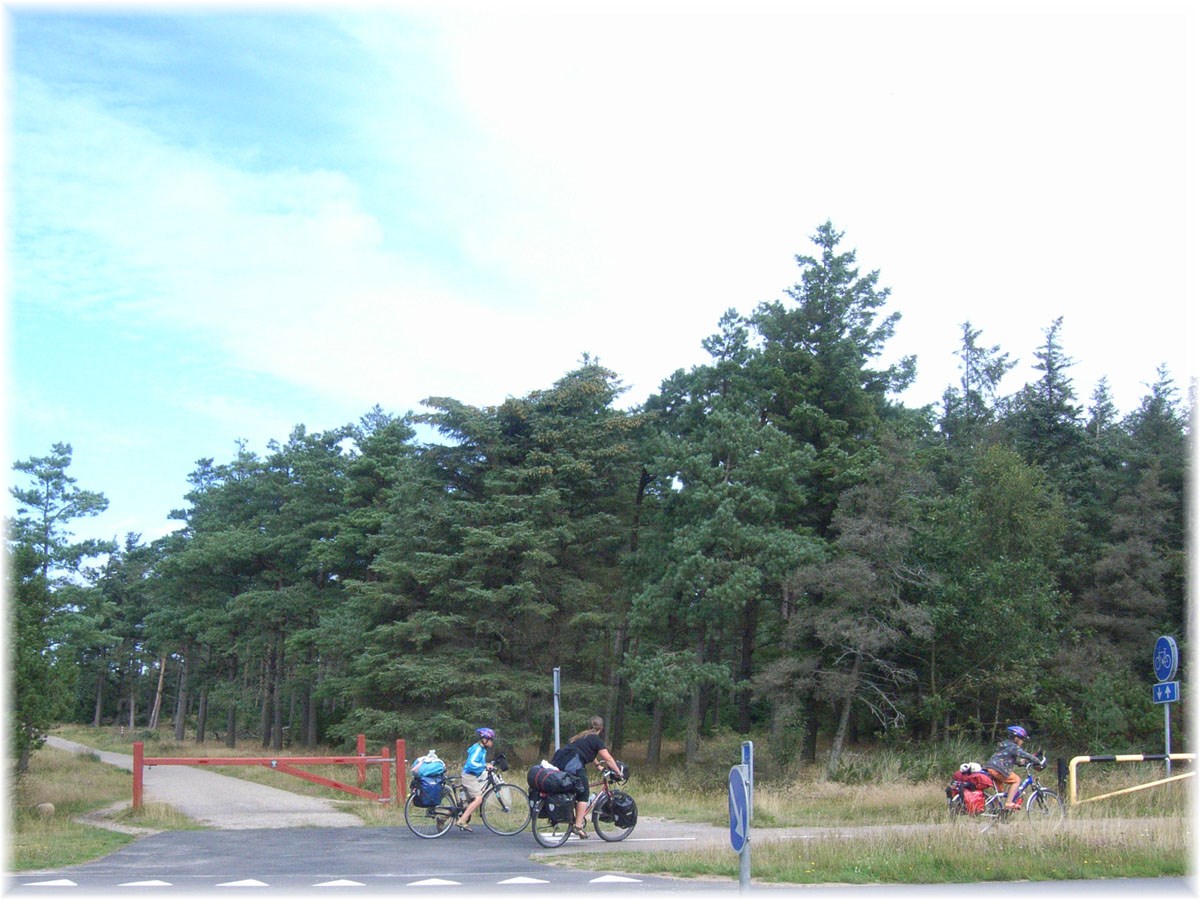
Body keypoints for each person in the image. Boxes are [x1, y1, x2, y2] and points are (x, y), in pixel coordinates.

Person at [552, 715, 619, 839]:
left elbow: (586, 751)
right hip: (573, 765)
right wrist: (618, 772)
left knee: (572, 791)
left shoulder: (582, 736)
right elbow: (608, 758)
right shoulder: (595, 739)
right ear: (601, 728)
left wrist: (598, 766)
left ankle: (571, 818)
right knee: (584, 793)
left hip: (560, 762)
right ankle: (577, 826)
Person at [985, 725, 1042, 809]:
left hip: (990, 767)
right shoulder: (1014, 747)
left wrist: (1019, 763)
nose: (1022, 742)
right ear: (1016, 738)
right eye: (1022, 739)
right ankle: (1008, 803)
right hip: (999, 769)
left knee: (999, 791)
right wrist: (1037, 761)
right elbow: (1025, 755)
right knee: (1016, 780)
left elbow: (1005, 758)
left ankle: (996, 809)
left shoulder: (1004, 745)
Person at [455, 727, 495, 831]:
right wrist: (484, 765)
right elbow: (471, 763)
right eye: (491, 740)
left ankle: (442, 817)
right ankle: (462, 821)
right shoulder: (478, 749)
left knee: (466, 804)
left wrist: (485, 764)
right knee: (479, 799)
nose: (492, 742)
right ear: (484, 740)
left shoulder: (481, 749)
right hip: (469, 776)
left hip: (471, 776)